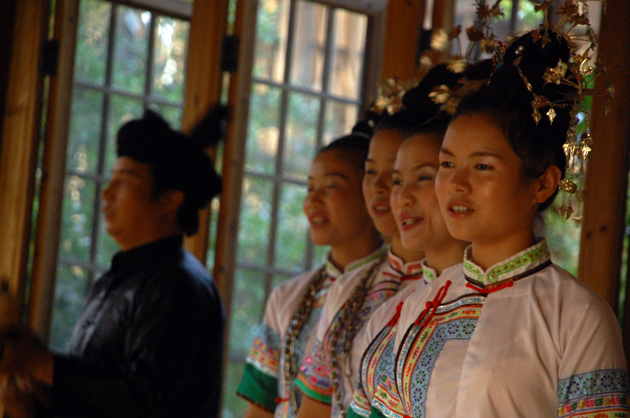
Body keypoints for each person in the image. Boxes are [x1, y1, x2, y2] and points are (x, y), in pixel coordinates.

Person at [375, 27, 630, 418]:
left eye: (482, 166)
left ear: (543, 183)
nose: (456, 184)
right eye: (447, 164)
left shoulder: (577, 317)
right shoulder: (418, 306)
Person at [0, 106, 228, 418]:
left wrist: (41, 363)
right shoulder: (114, 280)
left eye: (124, 181)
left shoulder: (180, 284)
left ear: (170, 199)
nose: (106, 193)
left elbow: (146, 400)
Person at [294, 65, 464, 418]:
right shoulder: (353, 292)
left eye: (420, 176)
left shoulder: (483, 297)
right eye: (373, 172)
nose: (390, 192)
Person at [236, 134, 386, 418]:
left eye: (331, 186)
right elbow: (261, 404)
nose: (313, 199)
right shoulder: (287, 296)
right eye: (310, 187)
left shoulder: (399, 290)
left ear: (371, 191)